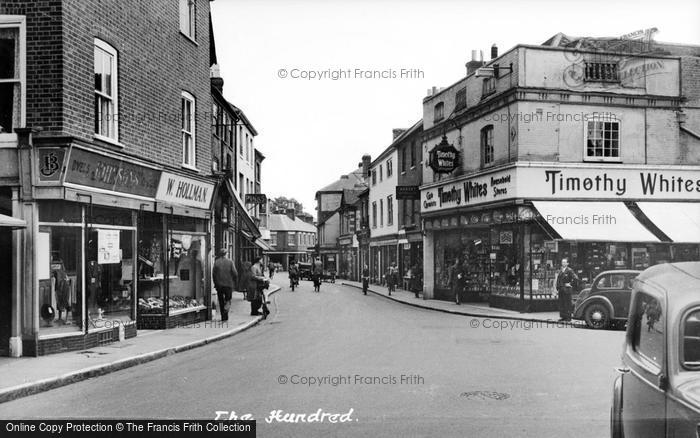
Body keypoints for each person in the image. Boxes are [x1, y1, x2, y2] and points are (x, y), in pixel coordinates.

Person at [212, 248, 238, 322]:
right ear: (226, 254)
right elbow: (235, 273)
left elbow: (213, 274)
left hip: (219, 285)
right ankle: (226, 311)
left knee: (221, 300)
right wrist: (233, 281)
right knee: (228, 299)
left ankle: (223, 316)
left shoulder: (216, 262)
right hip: (228, 284)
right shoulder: (230, 262)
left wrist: (216, 283)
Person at [555, 257, 579, 322]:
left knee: (567, 304)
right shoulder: (560, 270)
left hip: (567, 290)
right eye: (562, 262)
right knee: (561, 303)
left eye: (565, 262)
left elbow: (576, 278)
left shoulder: (569, 270)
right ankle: (563, 317)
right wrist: (557, 288)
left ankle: (568, 317)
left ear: (567, 263)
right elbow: (558, 279)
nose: (563, 263)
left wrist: (570, 283)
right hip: (561, 289)